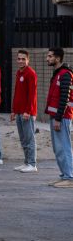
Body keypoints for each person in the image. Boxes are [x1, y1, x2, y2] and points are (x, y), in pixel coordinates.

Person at [44, 48, 73, 188]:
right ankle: (64, 176)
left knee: (64, 147)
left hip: (62, 117)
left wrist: (58, 118)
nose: (47, 59)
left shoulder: (65, 74)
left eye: (50, 56)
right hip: (56, 116)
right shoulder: (57, 74)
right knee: (58, 148)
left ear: (58, 58)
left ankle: (70, 178)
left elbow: (64, 98)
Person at [10, 50, 37, 172]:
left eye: (23, 59)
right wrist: (13, 110)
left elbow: (32, 95)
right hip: (19, 112)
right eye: (19, 59)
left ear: (28, 60)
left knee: (29, 138)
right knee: (23, 139)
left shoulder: (31, 73)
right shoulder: (18, 73)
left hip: (27, 113)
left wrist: (28, 111)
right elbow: (17, 92)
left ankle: (32, 164)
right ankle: (26, 162)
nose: (20, 61)